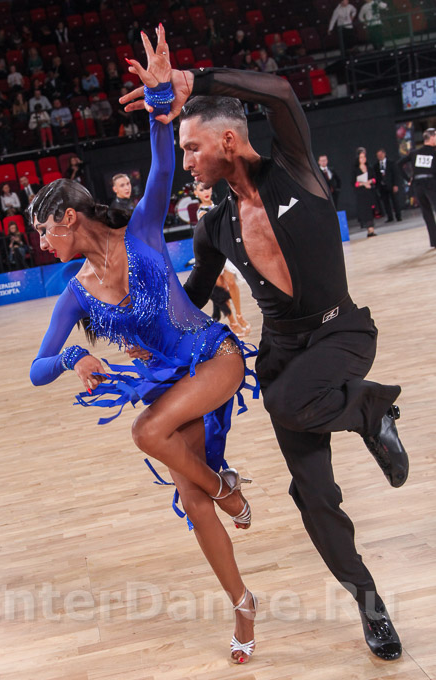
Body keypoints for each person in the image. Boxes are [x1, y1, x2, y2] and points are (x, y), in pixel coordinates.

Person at [121, 43, 409, 661]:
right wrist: (145, 325)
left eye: (192, 148)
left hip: (340, 333)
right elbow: (193, 296)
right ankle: (370, 603)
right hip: (282, 352)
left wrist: (195, 78)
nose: (187, 162)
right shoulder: (213, 225)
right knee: (316, 497)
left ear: (228, 140)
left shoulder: (295, 169)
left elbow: (279, 92)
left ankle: (369, 408)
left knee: (284, 399)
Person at [30, 26, 258, 665]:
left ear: (69, 218)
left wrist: (162, 100)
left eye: (44, 230)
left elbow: (162, 160)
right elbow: (37, 369)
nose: (42, 243)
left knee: (146, 433)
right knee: (190, 498)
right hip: (168, 384)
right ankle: (242, 601)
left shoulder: (144, 230)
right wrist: (73, 357)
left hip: (213, 358)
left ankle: (228, 490)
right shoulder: (74, 294)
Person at [195, 181, 251, 336]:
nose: (206, 192)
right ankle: (233, 322)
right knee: (221, 290)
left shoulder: (216, 206)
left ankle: (239, 315)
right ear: (196, 194)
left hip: (224, 249)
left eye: (207, 188)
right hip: (211, 252)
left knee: (231, 283)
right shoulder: (202, 212)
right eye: (201, 190)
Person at [398, 127, 436, 248]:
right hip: (430, 184)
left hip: (418, 186)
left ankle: (434, 241)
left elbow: (399, 164)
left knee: (427, 213)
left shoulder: (415, 153)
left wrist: (408, 179)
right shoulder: (433, 152)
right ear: (431, 137)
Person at [353, 147, 378, 237]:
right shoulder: (355, 169)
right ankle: (369, 229)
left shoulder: (369, 167)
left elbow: (375, 179)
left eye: (364, 157)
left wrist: (369, 182)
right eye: (361, 157)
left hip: (369, 192)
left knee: (371, 210)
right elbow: (353, 183)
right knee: (365, 211)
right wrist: (363, 183)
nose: (363, 159)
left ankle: (371, 229)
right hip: (361, 194)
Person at [373, 149, 402, 223]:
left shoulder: (391, 163)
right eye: (378, 155)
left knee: (395, 201)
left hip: (391, 185)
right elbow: (376, 176)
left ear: (384, 154)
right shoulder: (376, 166)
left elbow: (396, 174)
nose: (379, 156)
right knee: (386, 202)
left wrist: (395, 184)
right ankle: (390, 217)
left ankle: (398, 216)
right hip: (382, 186)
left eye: (380, 155)